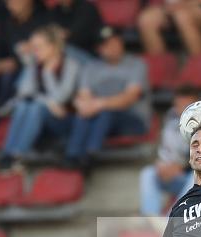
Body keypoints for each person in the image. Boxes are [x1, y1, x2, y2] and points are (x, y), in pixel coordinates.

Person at [64, 27, 150, 170]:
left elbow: (129, 98)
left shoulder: (136, 64)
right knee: (83, 113)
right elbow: (83, 95)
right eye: (107, 45)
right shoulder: (91, 67)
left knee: (105, 111)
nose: (113, 47)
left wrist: (98, 104)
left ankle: (89, 155)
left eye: (116, 42)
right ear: (99, 49)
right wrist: (84, 106)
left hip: (133, 120)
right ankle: (73, 156)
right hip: (101, 121)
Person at [0, 25, 80, 171]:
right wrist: (47, 101)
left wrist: (48, 74)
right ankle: (8, 153)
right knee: (23, 106)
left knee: (35, 107)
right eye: (33, 47)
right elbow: (24, 93)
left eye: (39, 47)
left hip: (65, 121)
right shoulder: (34, 65)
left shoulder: (71, 65)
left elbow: (61, 98)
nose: (34, 52)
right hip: (42, 117)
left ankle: (19, 154)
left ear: (53, 46)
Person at [139, 88, 199, 216]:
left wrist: (181, 169)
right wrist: (161, 165)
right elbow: (160, 150)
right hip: (180, 177)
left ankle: (172, 220)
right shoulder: (171, 121)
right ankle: (151, 219)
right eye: (179, 105)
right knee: (148, 173)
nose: (182, 110)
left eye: (187, 106)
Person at [0, 0, 51, 107]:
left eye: (15, 1)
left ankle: (3, 116)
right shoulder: (7, 22)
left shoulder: (44, 20)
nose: (10, 4)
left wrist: (16, 63)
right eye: (8, 2)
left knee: (8, 78)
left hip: (33, 68)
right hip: (8, 67)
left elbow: (46, 53)